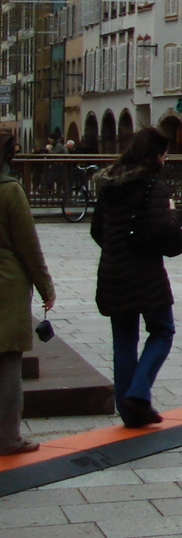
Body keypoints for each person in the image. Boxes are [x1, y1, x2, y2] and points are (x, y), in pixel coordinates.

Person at [90, 127, 182, 428]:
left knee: (124, 342)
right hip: (144, 271)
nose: (165, 159)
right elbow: (159, 229)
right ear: (155, 154)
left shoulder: (110, 182)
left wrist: (116, 248)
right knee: (162, 330)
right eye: (164, 153)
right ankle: (139, 393)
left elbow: (97, 230)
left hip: (112, 270)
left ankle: (129, 412)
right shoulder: (152, 182)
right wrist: (176, 215)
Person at [1, 134, 55, 455]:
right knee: (8, 361)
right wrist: (45, 286)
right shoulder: (10, 191)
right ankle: (8, 437)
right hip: (6, 285)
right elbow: (28, 246)